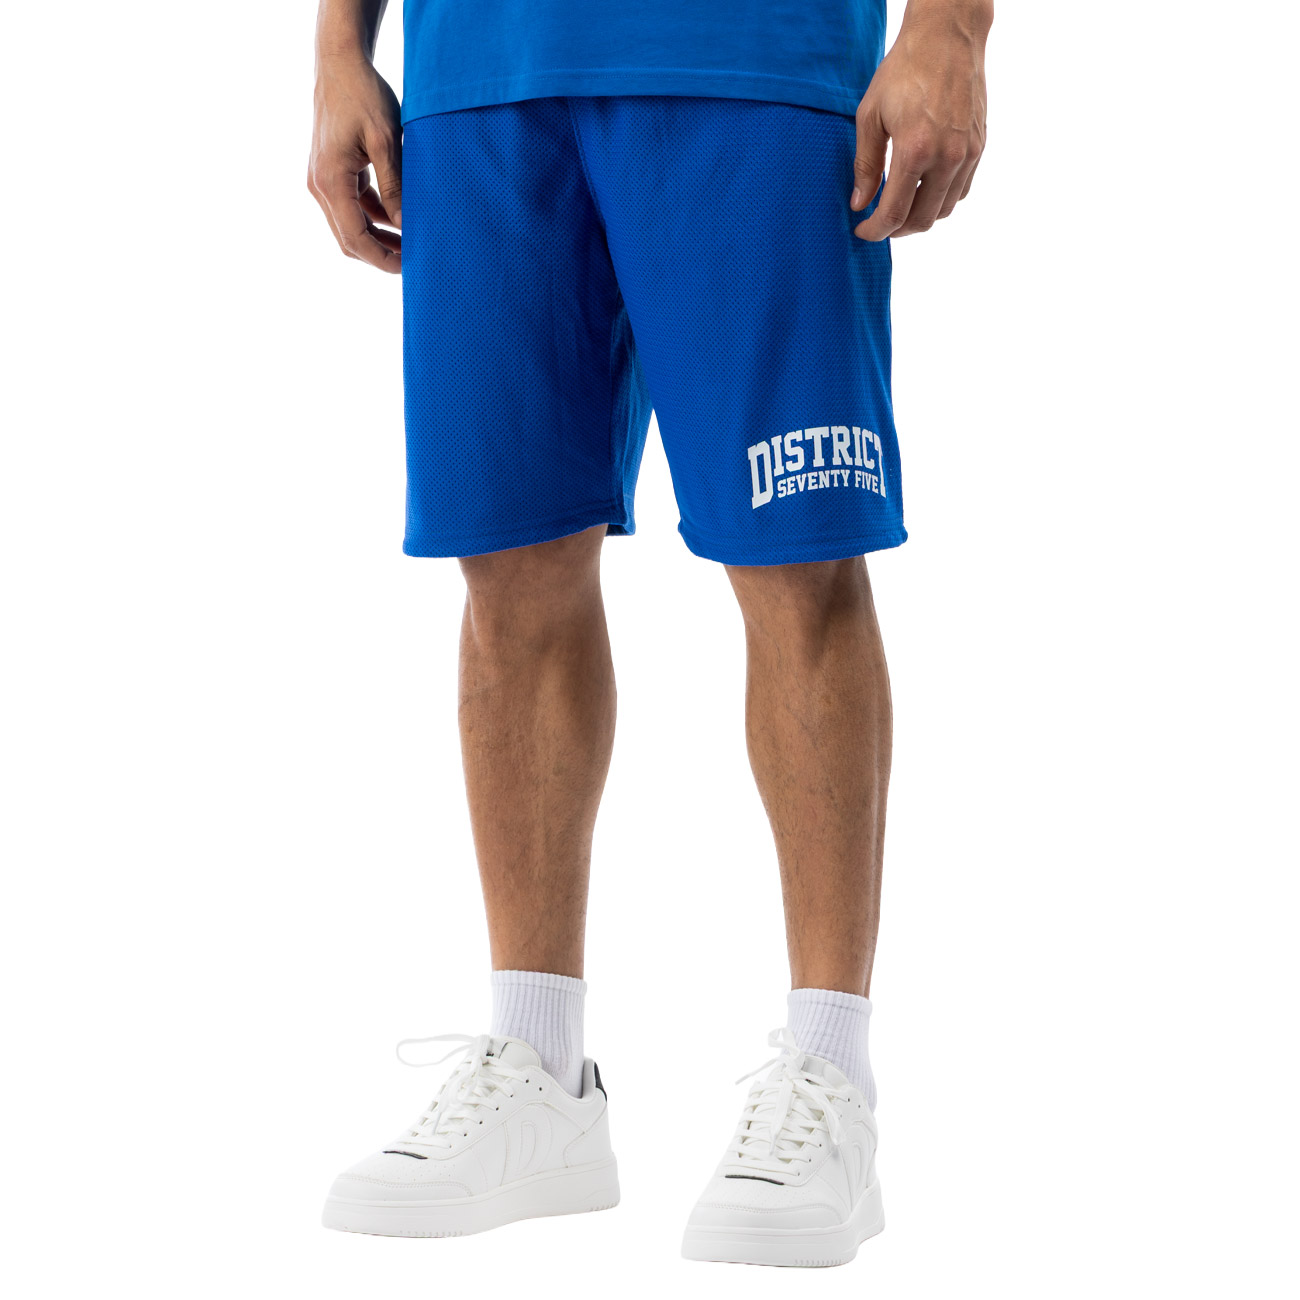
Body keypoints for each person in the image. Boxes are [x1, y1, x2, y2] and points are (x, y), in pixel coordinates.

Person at [309, 0, 990, 1267]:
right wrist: (339, 50)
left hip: (752, 60)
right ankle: (537, 1069)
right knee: (508, 569)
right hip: (481, 76)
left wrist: (950, 28)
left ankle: (829, 1074)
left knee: (796, 558)